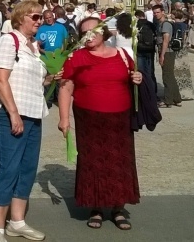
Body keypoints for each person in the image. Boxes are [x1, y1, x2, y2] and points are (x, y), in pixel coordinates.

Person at [58, 17, 143, 231]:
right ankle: (95, 207)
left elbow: (133, 78)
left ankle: (117, 208)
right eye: (84, 32)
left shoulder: (123, 55)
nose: (88, 36)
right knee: (92, 162)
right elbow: (66, 88)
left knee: (119, 163)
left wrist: (137, 78)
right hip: (89, 119)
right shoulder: (75, 57)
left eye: (92, 31)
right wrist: (64, 118)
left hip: (119, 119)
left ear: (103, 32)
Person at [0, 0, 57, 242]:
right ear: (20, 19)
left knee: (27, 169)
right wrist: (14, 114)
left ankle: (17, 222)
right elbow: (0, 79)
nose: (39, 21)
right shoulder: (9, 40)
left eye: (41, 17)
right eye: (35, 17)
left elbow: (31, 81)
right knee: (8, 169)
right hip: (9, 113)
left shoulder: (32, 47)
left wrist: (49, 78)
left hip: (34, 112)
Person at [153, 4, 182, 108]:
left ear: (163, 12)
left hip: (167, 52)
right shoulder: (161, 24)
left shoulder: (165, 24)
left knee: (167, 76)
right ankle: (176, 98)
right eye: (154, 12)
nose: (156, 14)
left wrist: (162, 55)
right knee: (170, 75)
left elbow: (166, 40)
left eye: (158, 12)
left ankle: (168, 100)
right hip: (166, 51)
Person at [172, 11, 194, 101]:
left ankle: (179, 93)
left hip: (177, 49)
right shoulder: (184, 25)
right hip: (183, 48)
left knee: (177, 71)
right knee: (185, 71)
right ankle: (188, 93)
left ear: (175, 15)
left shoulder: (174, 25)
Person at [135, 10, 157, 93]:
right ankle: (153, 92)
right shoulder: (151, 24)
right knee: (151, 72)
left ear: (137, 16)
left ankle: (143, 91)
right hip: (150, 50)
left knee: (141, 71)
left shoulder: (136, 24)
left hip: (140, 50)